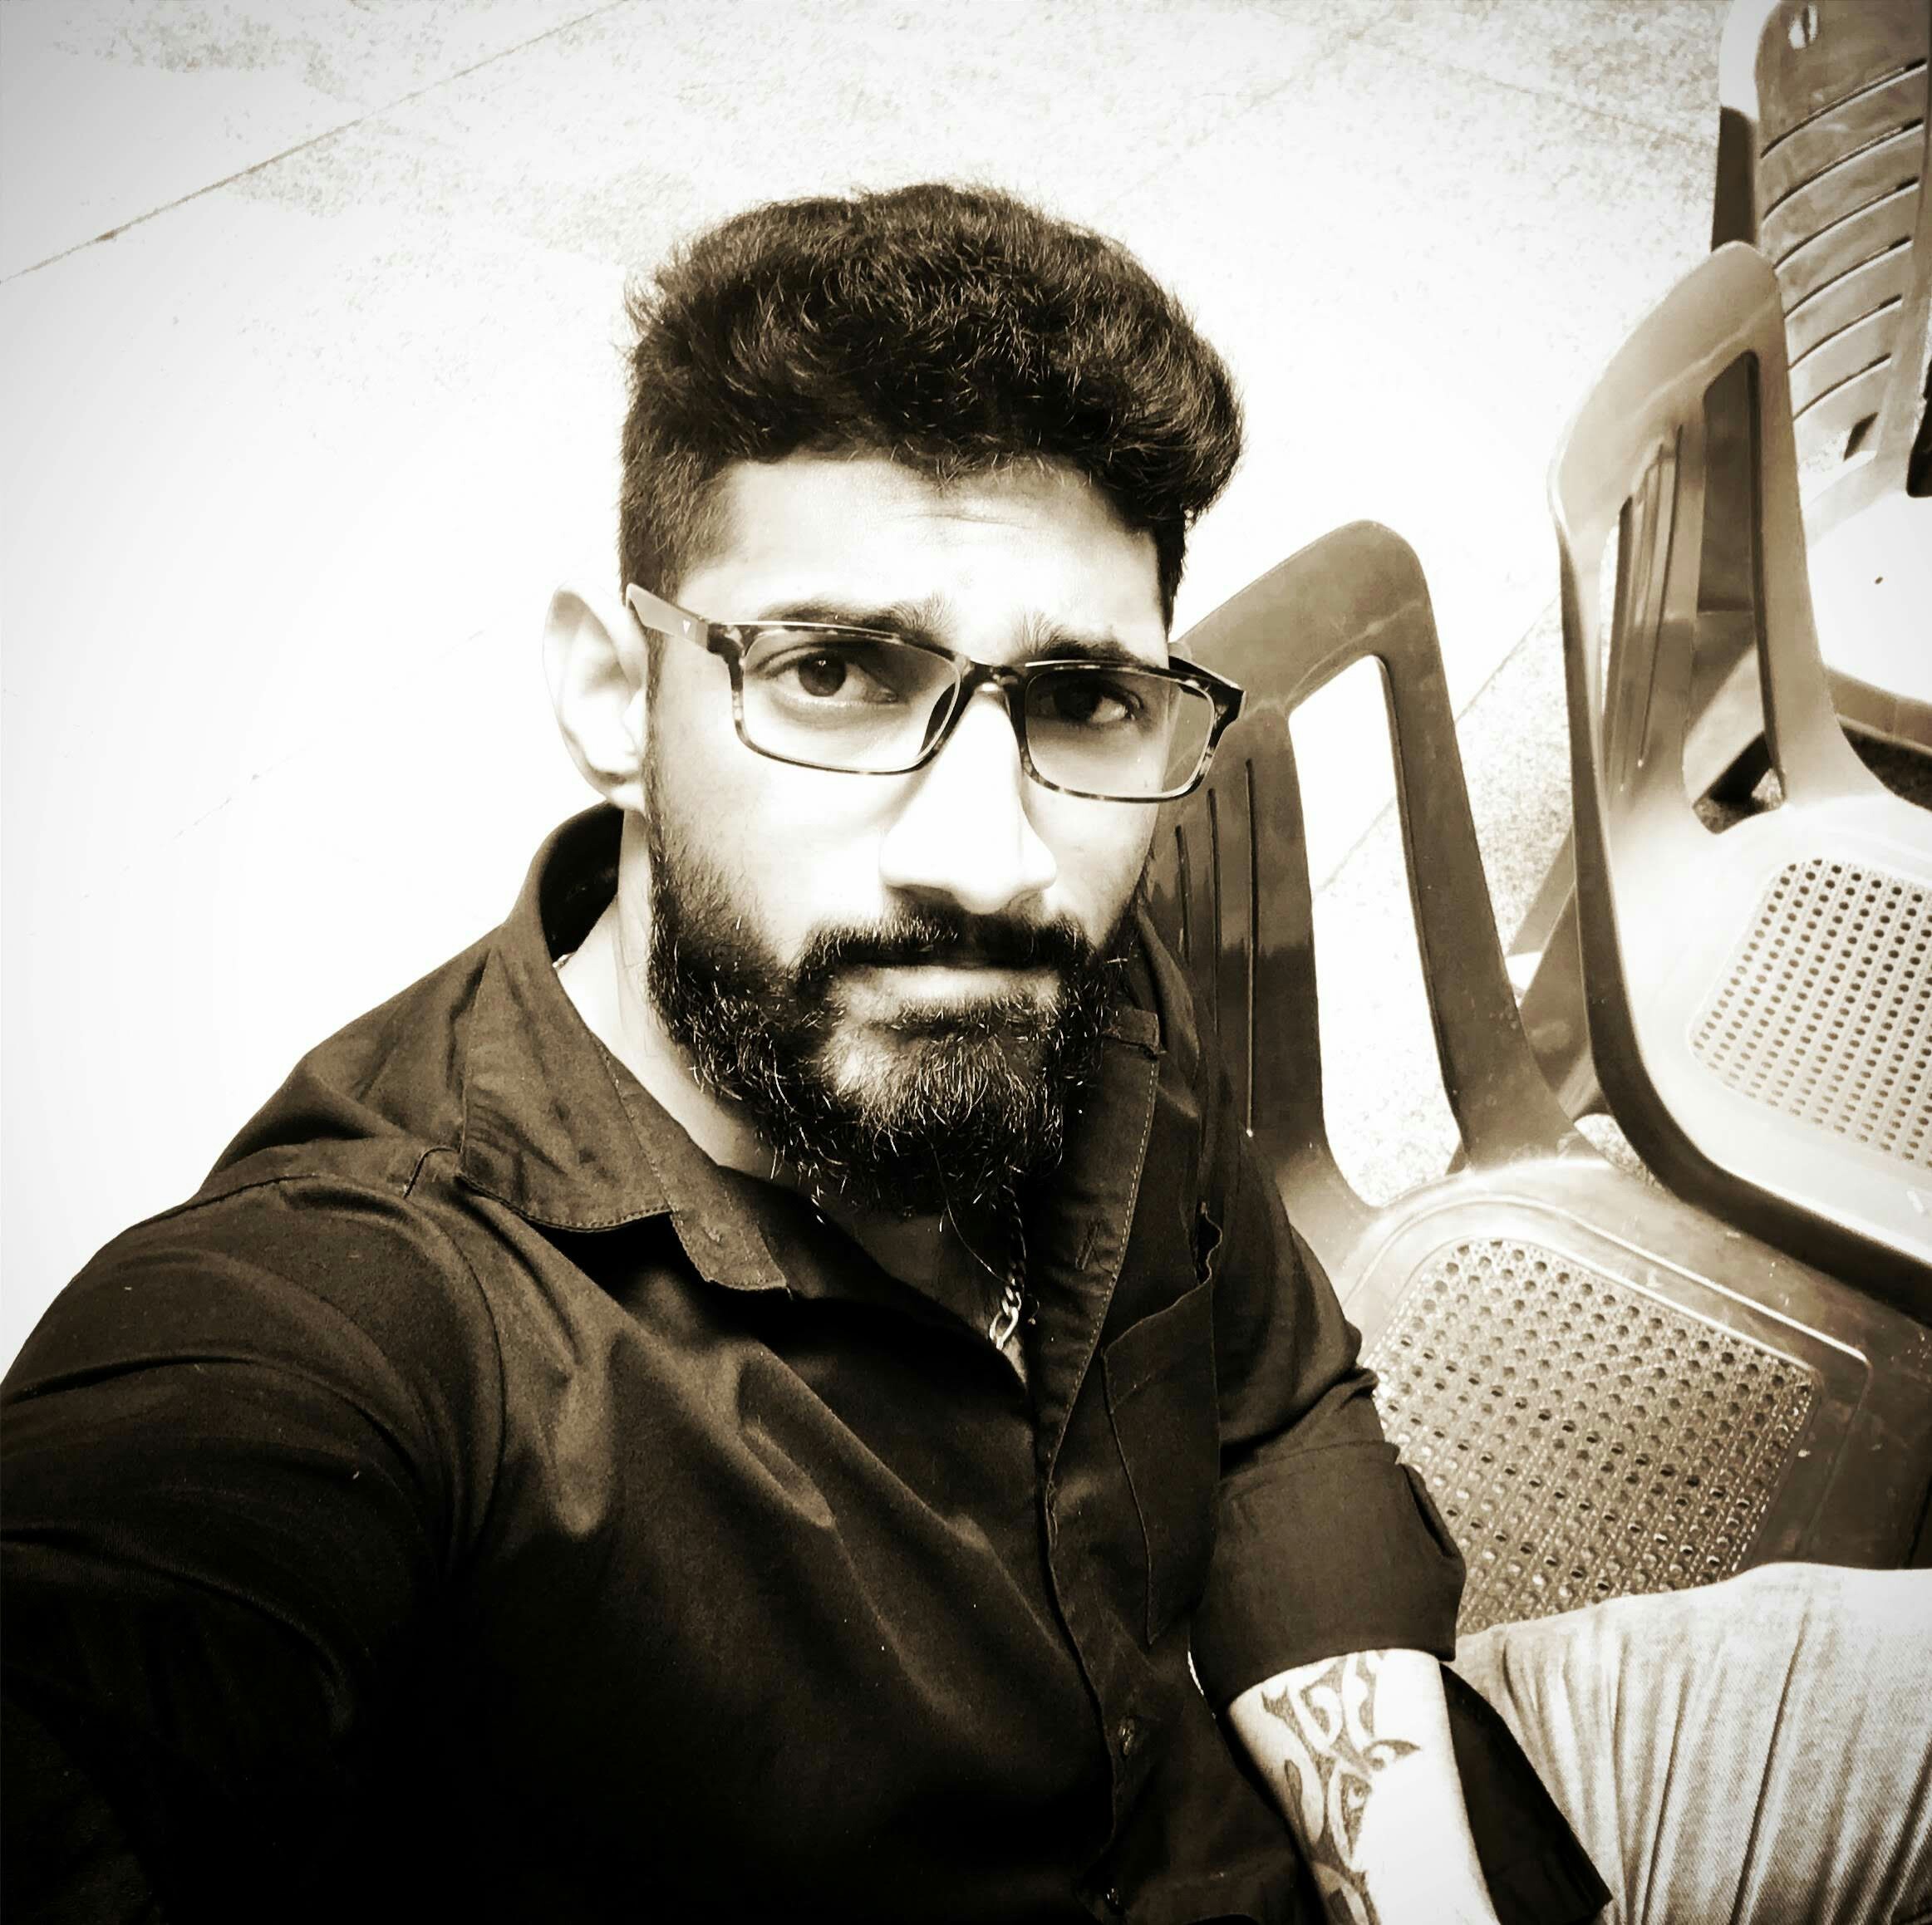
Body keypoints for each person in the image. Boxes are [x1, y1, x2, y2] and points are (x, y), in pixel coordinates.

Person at [2, 182, 1927, 1925]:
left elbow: (1267, 1400)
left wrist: (1408, 1871)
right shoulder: (376, 1316)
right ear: (611, 692)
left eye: (1078, 696)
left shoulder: (1065, 973)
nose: (993, 853)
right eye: (835, 672)